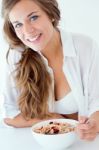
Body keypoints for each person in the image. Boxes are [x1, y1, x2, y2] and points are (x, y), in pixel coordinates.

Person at [1, 0, 99, 141]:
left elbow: (97, 102)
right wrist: (52, 118)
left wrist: (93, 124)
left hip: (81, 144)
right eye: (18, 25)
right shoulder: (16, 55)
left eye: (33, 17)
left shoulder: (84, 47)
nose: (27, 31)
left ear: (51, 14)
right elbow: (8, 114)